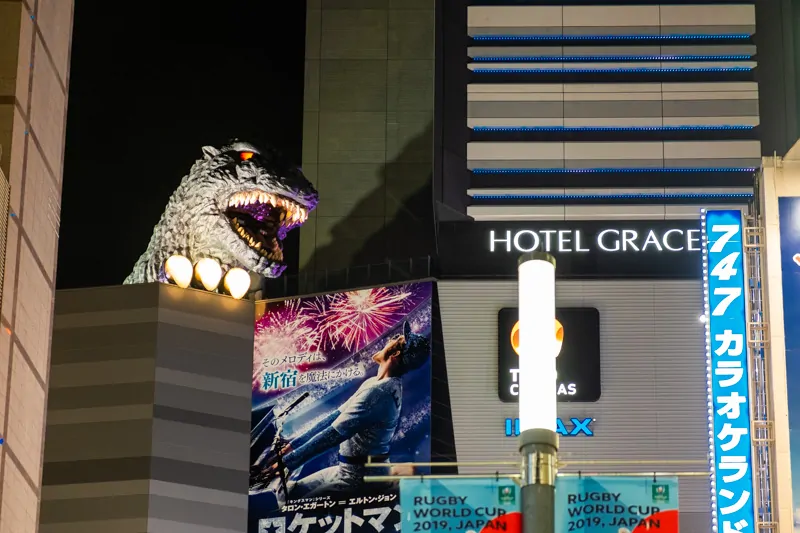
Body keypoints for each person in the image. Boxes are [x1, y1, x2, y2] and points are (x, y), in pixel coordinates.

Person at [260, 321, 430, 501]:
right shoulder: (375, 383)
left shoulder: (379, 393)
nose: (390, 339)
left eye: (396, 339)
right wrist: (292, 445)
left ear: (395, 354)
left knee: (295, 507)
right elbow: (335, 416)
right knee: (290, 493)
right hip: (347, 471)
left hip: (361, 480)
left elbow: (332, 435)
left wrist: (287, 462)